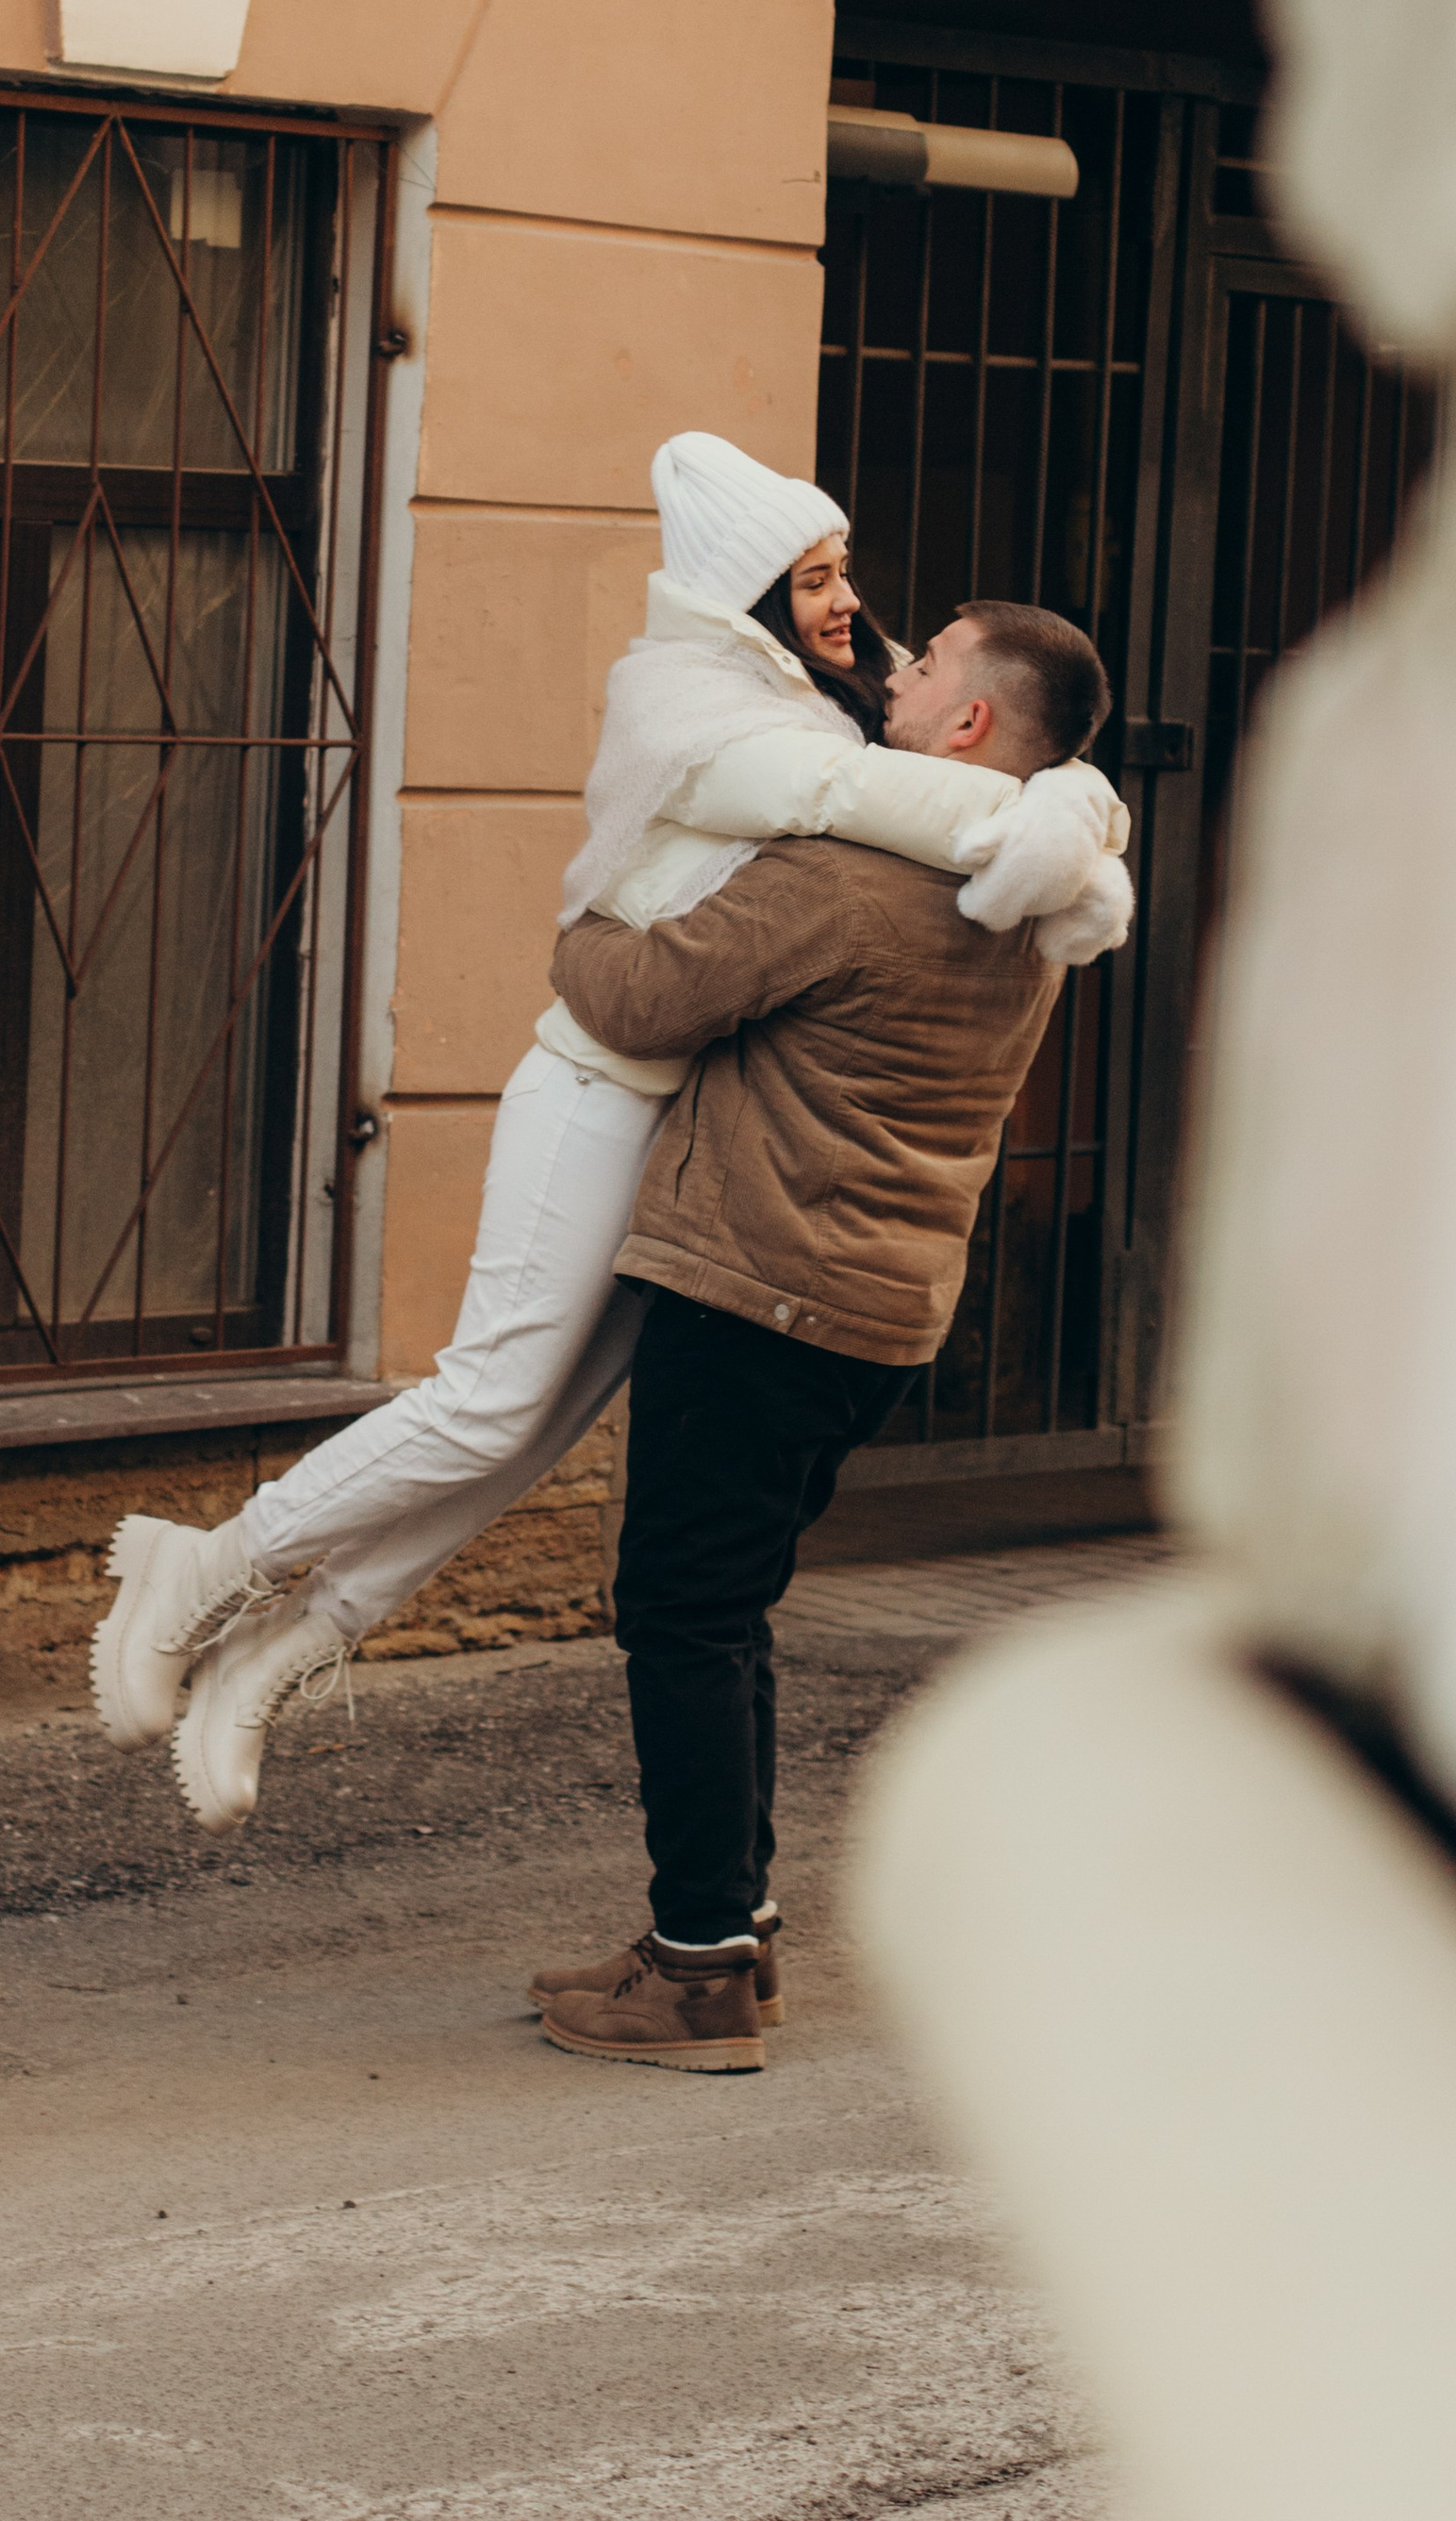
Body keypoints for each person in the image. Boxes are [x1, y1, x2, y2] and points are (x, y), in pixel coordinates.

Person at [88, 437, 1132, 1827]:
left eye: (845, 574)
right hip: (598, 1079)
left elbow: (943, 794)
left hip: (686, 1129)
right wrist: (1075, 802)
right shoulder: (695, 706)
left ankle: (284, 1649)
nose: (849, 607)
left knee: (528, 1436)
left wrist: (1071, 803)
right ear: (741, 592)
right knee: (485, 1399)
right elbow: (894, 810)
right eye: (812, 577)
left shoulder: (815, 701)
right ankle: (202, 1573)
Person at [527, 598, 1117, 2074]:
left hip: (761, 1288)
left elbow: (639, 993)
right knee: (731, 1609)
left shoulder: (854, 882)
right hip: (878, 1312)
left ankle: (702, 1973)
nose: (897, 681)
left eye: (926, 671)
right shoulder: (1031, 891)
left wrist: (602, 886)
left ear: (971, 722)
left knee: (679, 1610)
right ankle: (730, 1927)